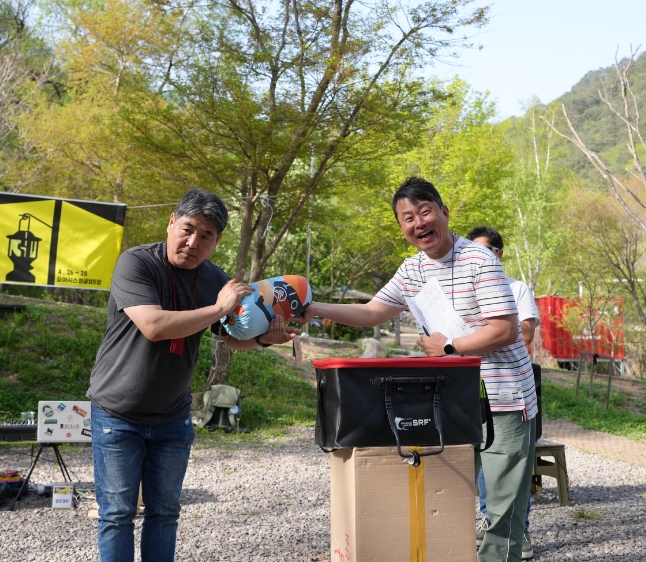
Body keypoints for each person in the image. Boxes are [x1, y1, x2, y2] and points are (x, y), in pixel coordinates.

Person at [294, 177, 538, 562]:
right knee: (450, 487)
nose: (419, 222)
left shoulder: (480, 259)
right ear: (401, 227)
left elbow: (506, 330)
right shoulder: (412, 270)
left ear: (444, 212)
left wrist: (448, 346)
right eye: (408, 217)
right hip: (451, 396)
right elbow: (373, 311)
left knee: (503, 500)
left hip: (503, 394)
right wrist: (316, 309)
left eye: (425, 211)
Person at [88, 188, 299, 562]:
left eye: (206, 236)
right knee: (117, 515)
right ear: (171, 222)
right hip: (118, 414)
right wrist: (219, 306)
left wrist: (266, 339)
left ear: (216, 241)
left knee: (165, 515)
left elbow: (231, 339)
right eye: (188, 229)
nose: (193, 242)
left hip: (172, 417)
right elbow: (153, 326)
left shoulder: (213, 280)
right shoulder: (135, 263)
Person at [468, 226, 540, 561]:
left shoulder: (516, 289)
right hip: (468, 392)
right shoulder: (464, 288)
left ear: (499, 254)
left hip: (509, 391)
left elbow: (524, 332)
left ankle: (516, 528)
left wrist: (491, 332)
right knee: (482, 467)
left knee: (509, 469)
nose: (479, 259)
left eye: (486, 252)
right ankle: (488, 522)